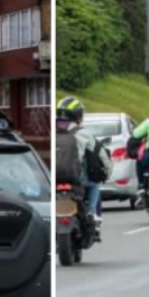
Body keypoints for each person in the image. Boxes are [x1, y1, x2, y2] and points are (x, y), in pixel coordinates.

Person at [56, 96, 105, 224]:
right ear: (78, 115)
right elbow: (102, 156)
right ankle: (91, 212)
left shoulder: (53, 130)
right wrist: (106, 173)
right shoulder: (83, 133)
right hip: (76, 178)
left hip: (54, 177)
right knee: (95, 183)